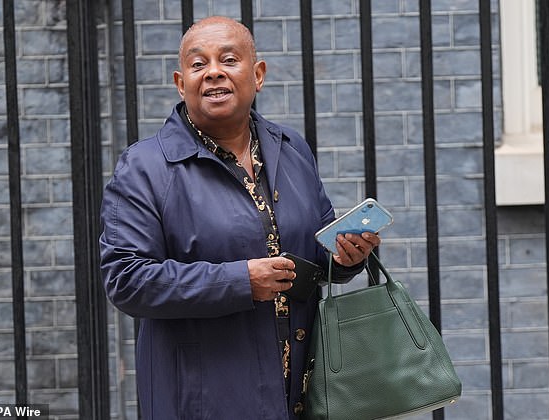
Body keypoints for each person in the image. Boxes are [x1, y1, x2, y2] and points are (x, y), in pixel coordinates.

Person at [99, 15, 380, 420]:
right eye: (199, 65)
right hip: (203, 400)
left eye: (229, 60)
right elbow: (127, 280)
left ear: (258, 74)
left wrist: (346, 257)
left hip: (301, 394)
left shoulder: (292, 149)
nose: (214, 72)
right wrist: (240, 281)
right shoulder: (145, 167)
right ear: (181, 83)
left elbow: (316, 254)